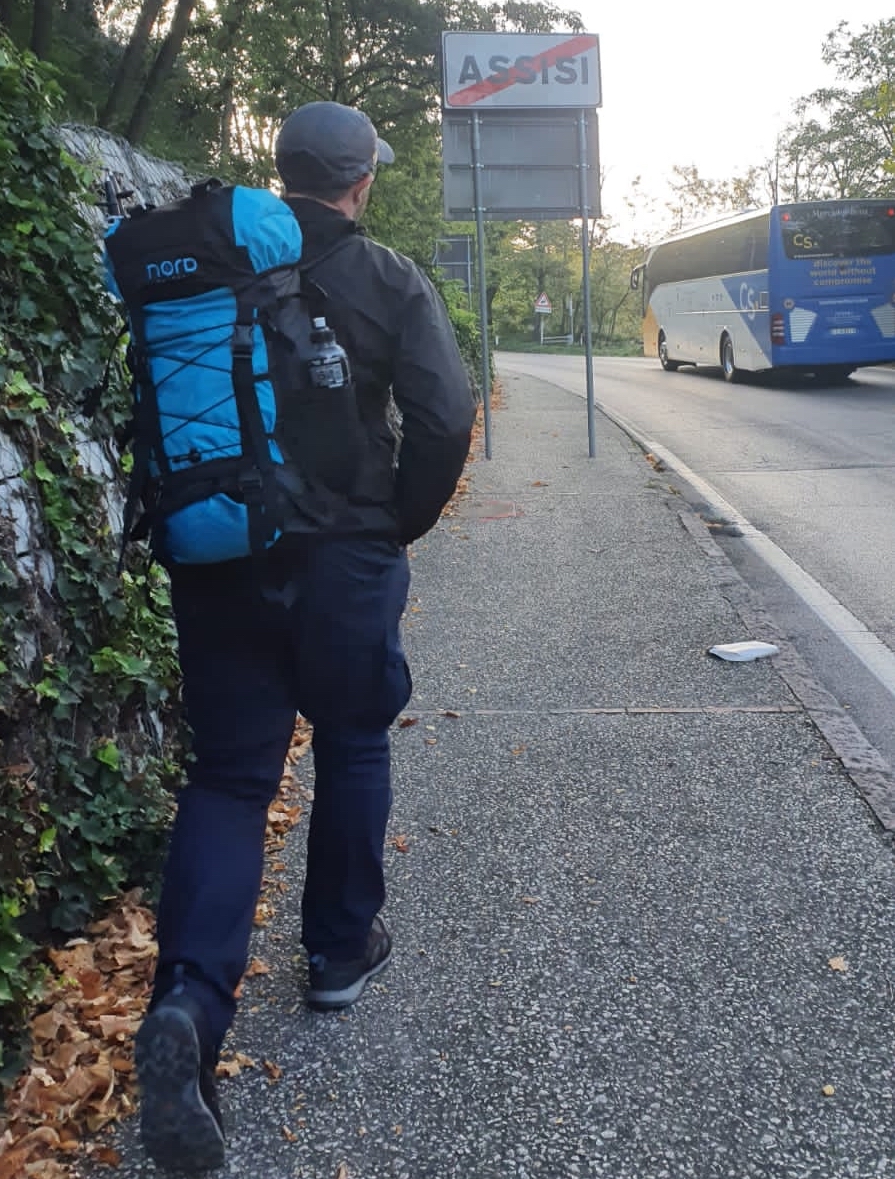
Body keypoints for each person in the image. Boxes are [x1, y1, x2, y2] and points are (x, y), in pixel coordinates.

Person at [133, 100, 476, 1172]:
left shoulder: (211, 270)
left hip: (218, 555)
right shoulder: (383, 277)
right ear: (361, 179)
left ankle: (189, 1001)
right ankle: (336, 950)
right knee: (352, 742)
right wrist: (396, 523)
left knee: (231, 778)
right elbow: (444, 413)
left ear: (277, 172)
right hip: (344, 559)